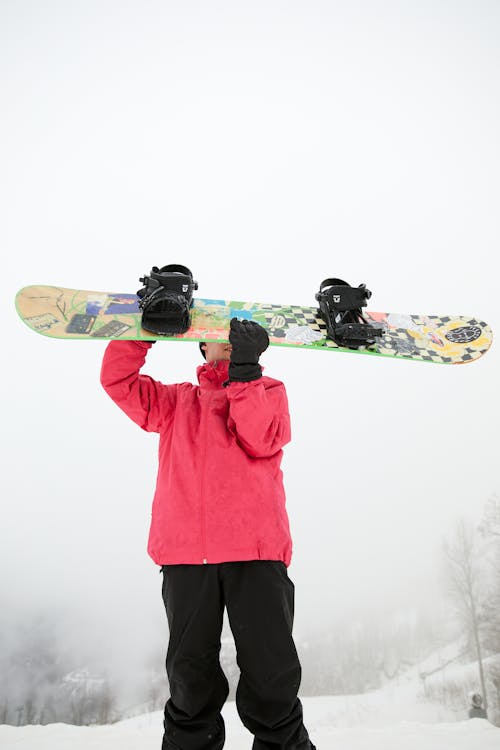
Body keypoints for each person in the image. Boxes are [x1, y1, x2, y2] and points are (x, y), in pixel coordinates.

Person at [100, 318, 316, 750]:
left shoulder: (269, 390)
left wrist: (247, 376)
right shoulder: (174, 403)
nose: (230, 344)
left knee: (272, 676)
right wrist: (145, 330)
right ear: (202, 347)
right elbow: (118, 380)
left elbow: (260, 439)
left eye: (239, 339)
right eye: (220, 337)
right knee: (190, 679)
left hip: (256, 554)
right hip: (186, 558)